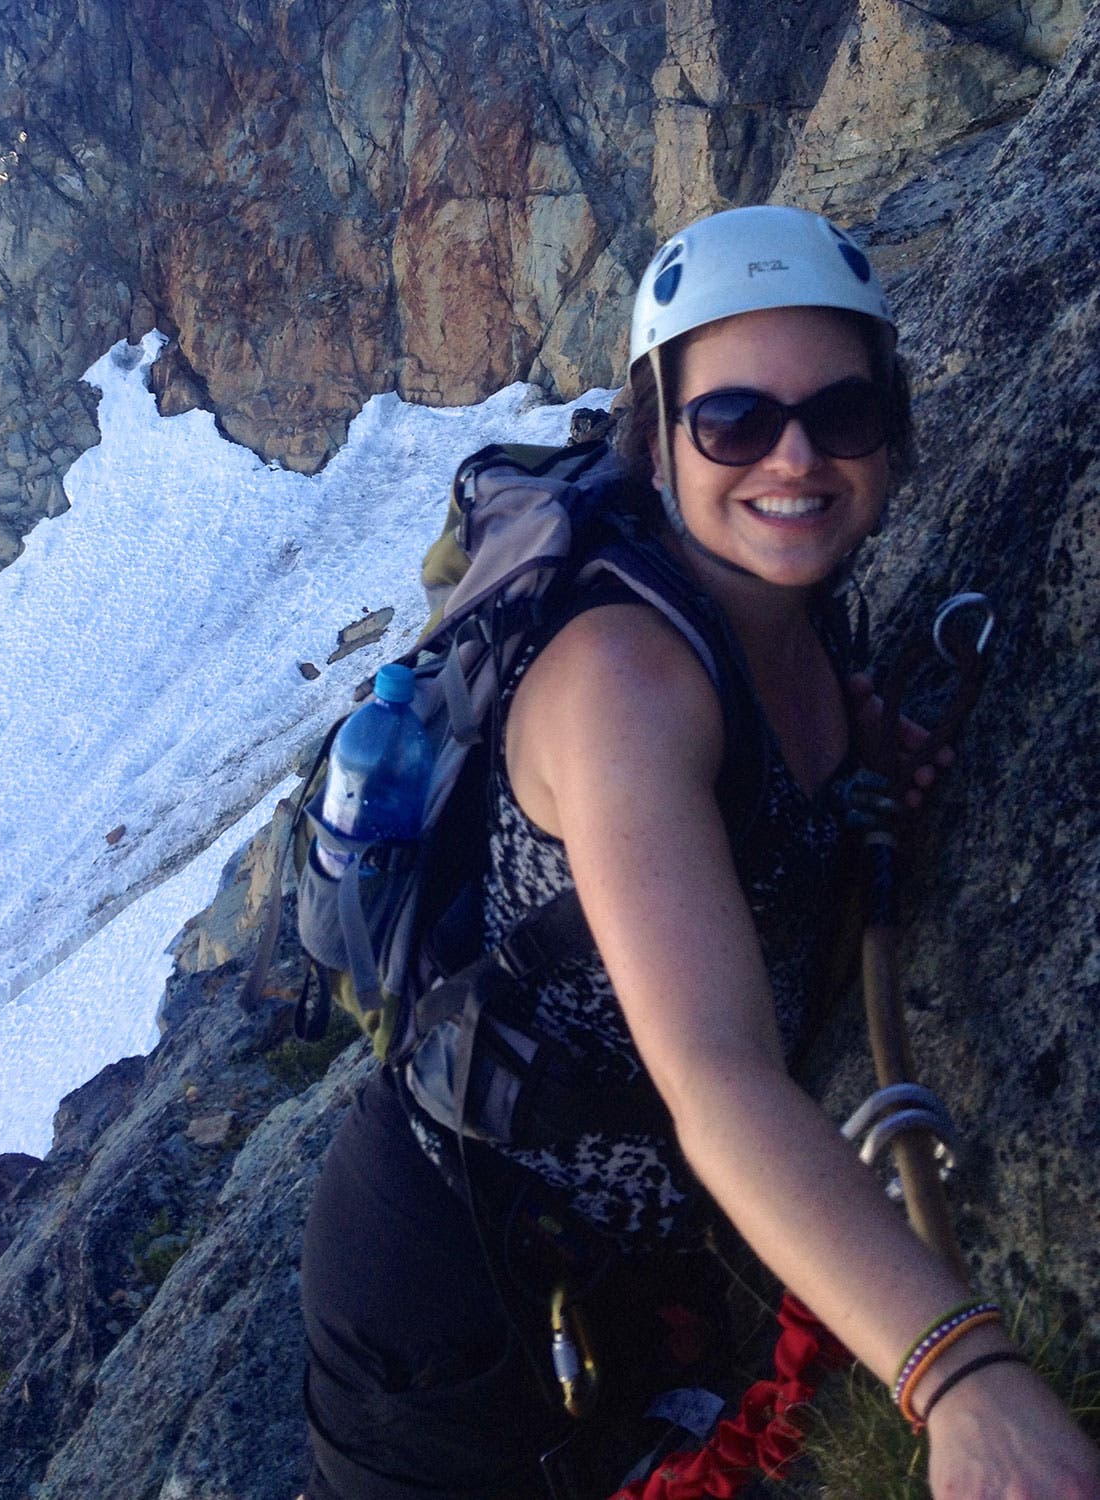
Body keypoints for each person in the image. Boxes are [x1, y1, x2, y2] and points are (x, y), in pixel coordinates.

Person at [298, 205, 1100, 1500]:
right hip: (452, 1278)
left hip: (624, 1257)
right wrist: (963, 1377)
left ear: (891, 428)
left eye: (841, 414)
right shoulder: (626, 682)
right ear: (659, 434)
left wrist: (850, 774)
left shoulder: (785, 608)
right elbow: (717, 1077)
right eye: (734, 421)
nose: (795, 458)